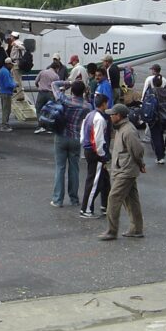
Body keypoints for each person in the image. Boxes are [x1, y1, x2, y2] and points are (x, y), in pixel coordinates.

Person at [99, 103, 146, 240]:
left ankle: (111, 231)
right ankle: (136, 229)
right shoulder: (121, 128)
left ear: (119, 116)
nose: (110, 117)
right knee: (131, 200)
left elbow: (138, 150)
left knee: (113, 198)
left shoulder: (128, 131)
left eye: (112, 114)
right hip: (125, 169)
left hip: (126, 170)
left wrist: (141, 164)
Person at [50, 79, 91, 208]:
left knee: (60, 168)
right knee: (74, 169)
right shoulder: (87, 106)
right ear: (83, 91)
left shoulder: (64, 100)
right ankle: (74, 199)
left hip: (61, 136)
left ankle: (58, 200)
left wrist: (69, 82)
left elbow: (54, 84)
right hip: (75, 138)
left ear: (72, 91)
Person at [79, 92, 111, 218]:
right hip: (95, 152)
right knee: (94, 181)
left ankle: (105, 205)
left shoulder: (89, 115)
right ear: (103, 104)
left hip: (88, 149)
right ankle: (86, 209)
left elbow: (83, 131)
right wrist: (102, 155)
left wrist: (84, 143)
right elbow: (98, 139)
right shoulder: (100, 119)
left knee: (104, 179)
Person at [144, 72, 166, 165]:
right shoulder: (165, 92)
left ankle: (160, 157)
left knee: (156, 137)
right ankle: (162, 153)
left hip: (156, 118)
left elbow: (148, 104)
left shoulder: (152, 92)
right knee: (161, 136)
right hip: (165, 117)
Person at [33, 64, 59, 134]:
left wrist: (39, 86)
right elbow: (57, 86)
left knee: (39, 109)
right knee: (50, 110)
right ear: (56, 68)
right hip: (50, 94)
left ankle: (40, 126)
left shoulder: (42, 72)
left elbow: (36, 81)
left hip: (41, 93)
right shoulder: (56, 76)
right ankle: (49, 128)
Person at [0, 58, 16, 132]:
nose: (12, 66)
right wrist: (15, 84)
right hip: (6, 93)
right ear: (8, 64)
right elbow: (8, 84)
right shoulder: (5, 72)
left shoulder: (2, 70)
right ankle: (4, 126)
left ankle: (5, 124)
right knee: (6, 110)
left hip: (3, 92)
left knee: (5, 109)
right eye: (11, 64)